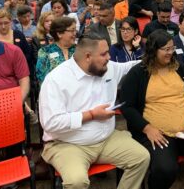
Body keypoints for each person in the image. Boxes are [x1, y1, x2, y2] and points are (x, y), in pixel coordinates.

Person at [39, 33, 149, 189]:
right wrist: (90, 115)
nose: (109, 57)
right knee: (77, 182)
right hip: (67, 144)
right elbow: (50, 123)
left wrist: (154, 58)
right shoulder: (56, 79)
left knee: (141, 158)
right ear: (88, 56)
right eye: (104, 54)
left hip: (106, 139)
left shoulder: (107, 68)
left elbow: (129, 67)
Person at [120, 30, 184, 189]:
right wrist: (147, 128)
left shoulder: (180, 68)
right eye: (165, 49)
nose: (170, 53)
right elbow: (127, 106)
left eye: (172, 48)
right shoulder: (138, 73)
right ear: (153, 50)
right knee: (165, 169)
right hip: (158, 133)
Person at [36, 17, 77, 83]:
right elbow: (41, 77)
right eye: (72, 30)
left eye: (75, 30)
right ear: (59, 34)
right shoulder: (45, 51)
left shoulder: (80, 50)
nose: (75, 33)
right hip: (54, 91)